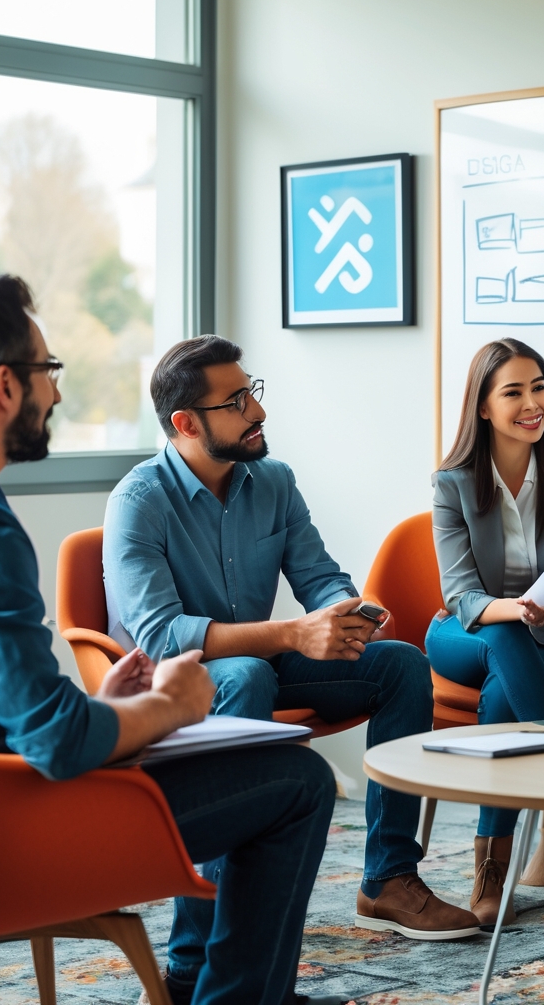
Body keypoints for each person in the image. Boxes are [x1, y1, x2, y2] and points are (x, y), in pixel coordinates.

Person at [0, 276, 343, 1005]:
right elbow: (55, 745)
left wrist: (110, 701)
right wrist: (168, 707)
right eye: (47, 371)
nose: (55, 394)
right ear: (5, 386)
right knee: (297, 781)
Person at [103, 335, 479, 942]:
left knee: (400, 665)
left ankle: (388, 879)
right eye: (236, 402)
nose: (258, 411)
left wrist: (346, 611)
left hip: (265, 661)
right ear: (184, 423)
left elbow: (318, 575)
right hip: (176, 683)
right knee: (246, 675)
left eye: (252, 391)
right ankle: (204, 941)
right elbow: (163, 637)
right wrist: (292, 634)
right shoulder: (138, 501)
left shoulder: (273, 480)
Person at [427, 338, 544, 926]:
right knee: (506, 638)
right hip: (463, 636)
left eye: (539, 387)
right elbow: (458, 595)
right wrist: (517, 612)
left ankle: (490, 868)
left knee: (503, 695)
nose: (533, 402)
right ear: (483, 406)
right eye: (513, 391)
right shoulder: (453, 481)